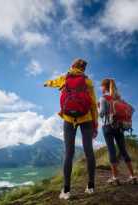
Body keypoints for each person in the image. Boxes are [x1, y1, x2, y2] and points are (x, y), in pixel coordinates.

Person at [44, 59, 98, 200]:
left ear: (72, 66)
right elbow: (93, 105)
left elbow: (53, 82)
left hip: (68, 119)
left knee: (69, 153)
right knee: (89, 152)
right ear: (84, 69)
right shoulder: (88, 83)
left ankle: (66, 190)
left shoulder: (64, 78)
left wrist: (46, 83)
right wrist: (95, 125)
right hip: (86, 119)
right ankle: (91, 187)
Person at [99, 78, 137, 184]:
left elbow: (101, 113)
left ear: (104, 87)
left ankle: (115, 178)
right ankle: (133, 176)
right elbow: (131, 109)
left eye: (101, 86)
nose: (100, 88)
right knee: (123, 150)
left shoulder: (103, 98)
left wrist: (99, 108)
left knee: (112, 150)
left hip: (108, 126)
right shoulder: (119, 99)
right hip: (120, 127)